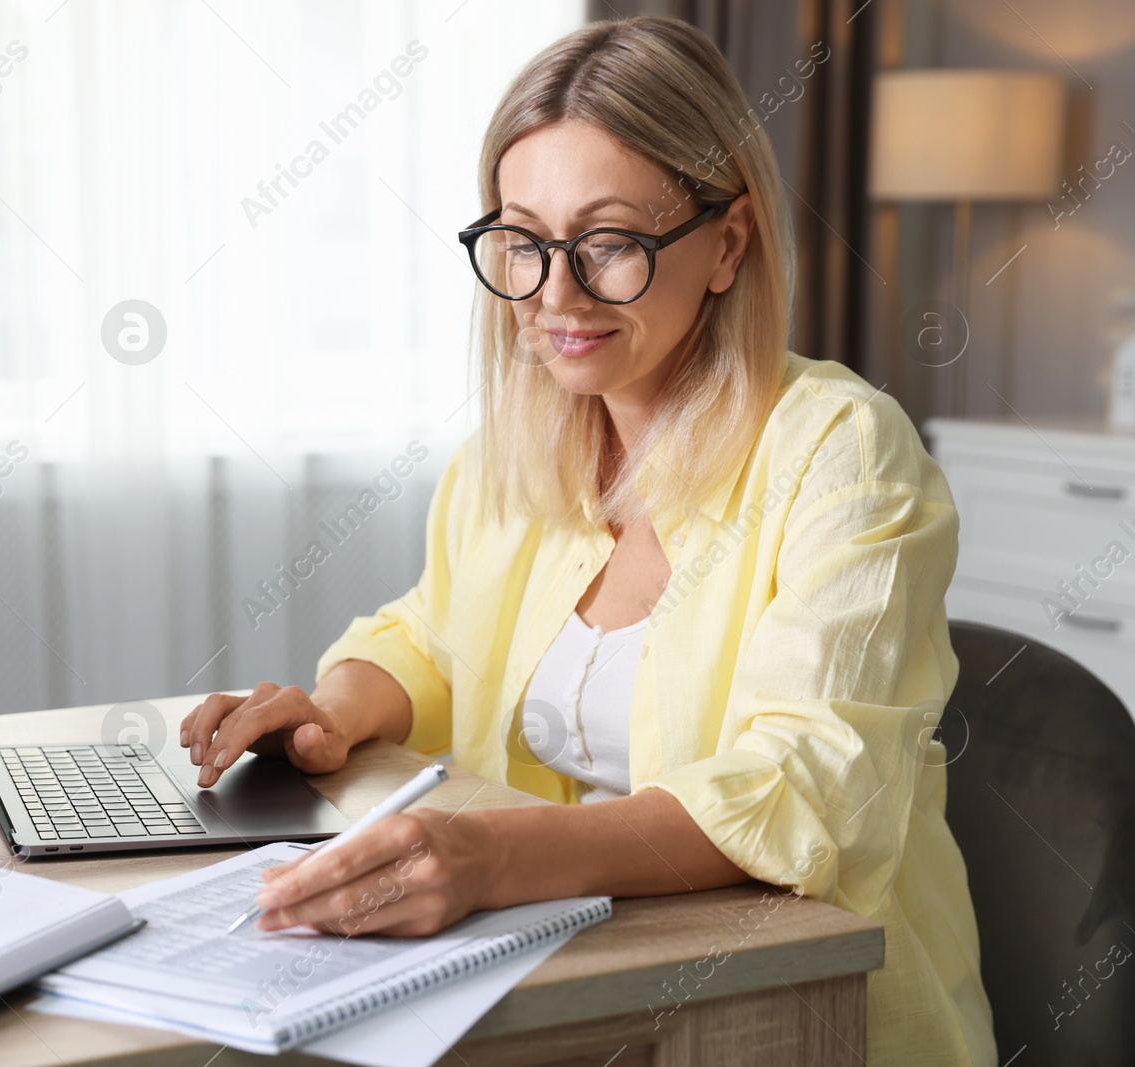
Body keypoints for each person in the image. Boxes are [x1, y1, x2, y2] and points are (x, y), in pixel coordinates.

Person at [181, 16, 993, 1066]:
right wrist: (328, 714)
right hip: (566, 989)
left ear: (727, 242)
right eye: (522, 240)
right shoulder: (515, 449)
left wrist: (485, 855)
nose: (553, 295)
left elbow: (806, 785)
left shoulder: (840, 450)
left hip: (794, 1015)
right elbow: (434, 634)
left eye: (606, 243)